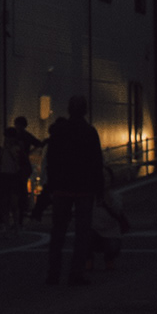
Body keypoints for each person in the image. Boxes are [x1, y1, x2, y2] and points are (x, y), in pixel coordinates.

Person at [42, 98, 107, 285]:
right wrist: (99, 190)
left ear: (69, 110)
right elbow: (97, 162)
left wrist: (51, 186)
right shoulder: (89, 132)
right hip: (84, 187)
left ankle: (53, 273)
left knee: (58, 232)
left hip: (62, 187)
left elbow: (51, 160)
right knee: (82, 233)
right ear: (85, 111)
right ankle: (76, 273)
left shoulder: (59, 131)